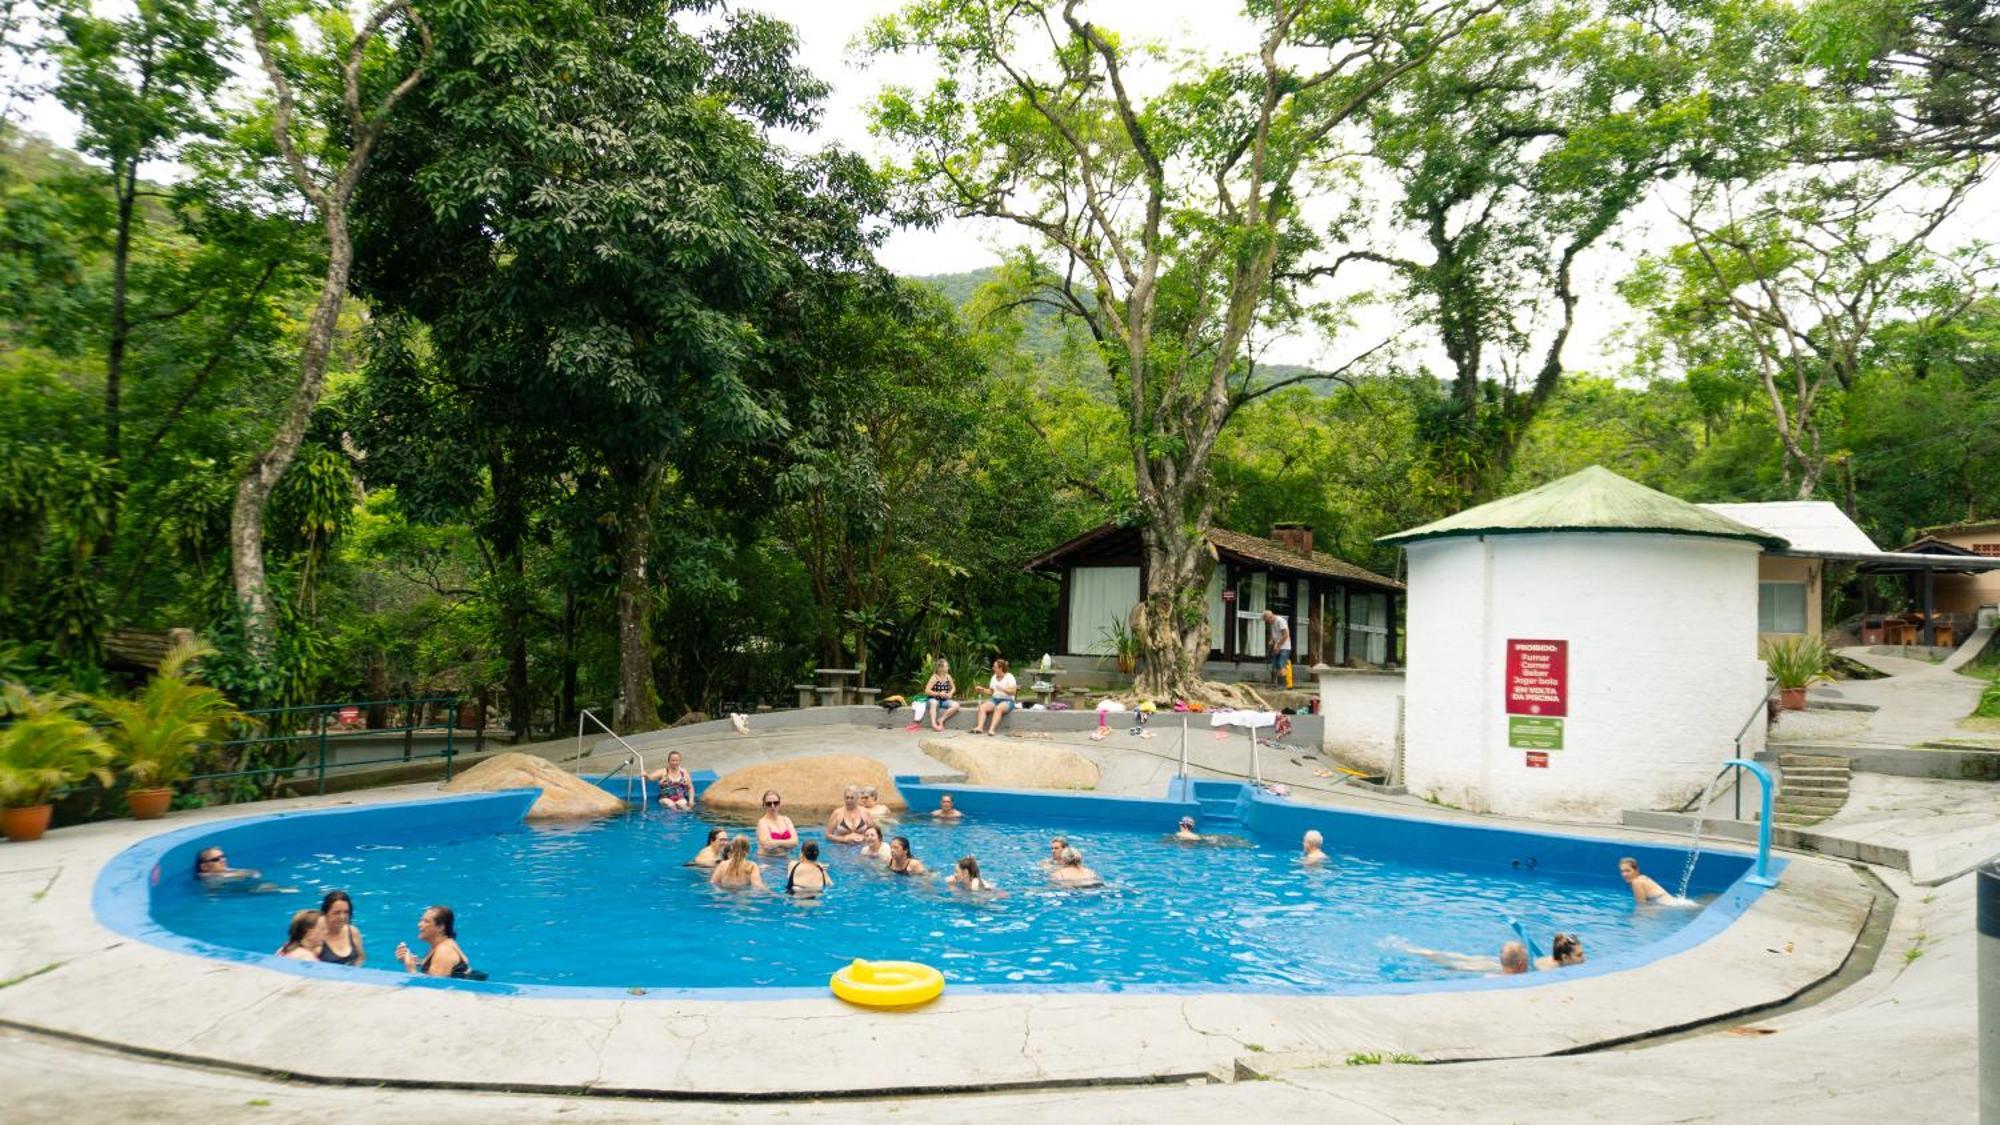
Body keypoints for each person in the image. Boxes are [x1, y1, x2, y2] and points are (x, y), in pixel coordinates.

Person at [395, 905, 471, 978]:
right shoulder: (441, 945)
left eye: (426, 921)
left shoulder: (444, 952)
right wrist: (415, 961)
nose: (419, 925)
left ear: (440, 927)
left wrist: (411, 969)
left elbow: (434, 988)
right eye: (421, 920)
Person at [907, 659, 961, 733]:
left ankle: (941, 719)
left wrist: (950, 693)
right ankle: (934, 724)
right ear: (940, 668)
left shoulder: (948, 677)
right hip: (932, 700)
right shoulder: (934, 678)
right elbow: (927, 691)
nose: (948, 668)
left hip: (944, 700)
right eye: (946, 666)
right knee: (934, 702)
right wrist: (939, 694)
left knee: (956, 705)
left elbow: (954, 688)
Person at [969, 658, 1019, 736]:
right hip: (995, 699)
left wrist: (1003, 689)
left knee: (998, 708)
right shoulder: (993, 677)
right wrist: (982, 689)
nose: (993, 668)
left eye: (994, 667)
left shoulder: (1009, 677)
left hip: (1008, 700)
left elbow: (1013, 692)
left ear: (1000, 668)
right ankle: (979, 727)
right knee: (982, 707)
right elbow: (991, 692)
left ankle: (991, 729)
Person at [1620, 856, 1695, 907]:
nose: (1624, 874)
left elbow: (1642, 907)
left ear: (1636, 870)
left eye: (1627, 871)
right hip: (1680, 904)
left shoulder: (1636, 882)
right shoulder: (1643, 878)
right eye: (1622, 871)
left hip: (1675, 908)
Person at [317, 890, 366, 967]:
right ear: (325, 913)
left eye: (346, 912)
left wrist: (354, 971)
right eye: (337, 913)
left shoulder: (353, 932)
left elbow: (361, 957)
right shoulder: (316, 936)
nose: (342, 917)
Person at [756, 791, 798, 855]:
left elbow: (795, 842)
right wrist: (788, 844)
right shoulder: (762, 823)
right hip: (767, 860)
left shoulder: (786, 820)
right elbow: (768, 846)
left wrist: (776, 843)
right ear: (764, 805)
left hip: (785, 858)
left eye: (775, 803)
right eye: (769, 804)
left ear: (779, 804)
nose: (773, 806)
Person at [193, 845, 260, 884]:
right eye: (216, 859)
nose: (223, 860)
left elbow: (253, 872)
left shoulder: (223, 871)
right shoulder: (207, 877)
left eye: (223, 856)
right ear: (204, 867)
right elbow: (251, 873)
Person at [1262, 609, 1292, 686]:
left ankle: (1282, 685)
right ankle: (1278, 684)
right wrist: (1271, 640)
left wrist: (1278, 646)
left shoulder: (1280, 621)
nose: (1268, 623)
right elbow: (1273, 633)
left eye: (1267, 621)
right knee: (1276, 665)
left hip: (1284, 647)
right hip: (1277, 646)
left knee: (1281, 665)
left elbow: (1285, 635)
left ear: (1270, 617)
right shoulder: (1272, 622)